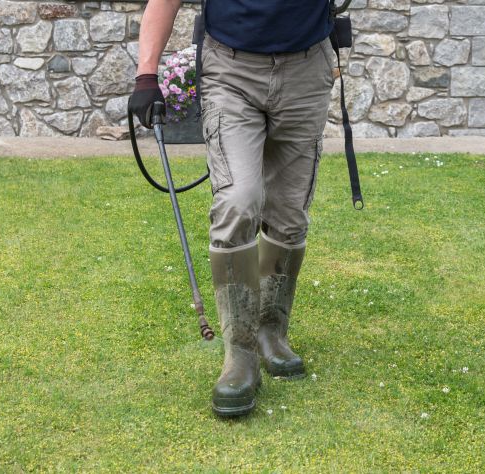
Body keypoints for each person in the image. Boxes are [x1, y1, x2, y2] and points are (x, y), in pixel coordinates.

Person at [128, 0, 336, 417]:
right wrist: (147, 74)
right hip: (231, 71)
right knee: (239, 200)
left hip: (307, 69)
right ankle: (239, 353)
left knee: (290, 215)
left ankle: (270, 333)